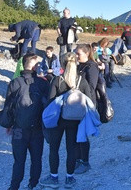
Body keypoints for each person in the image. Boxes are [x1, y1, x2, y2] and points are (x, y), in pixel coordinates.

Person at [40, 52, 92, 189]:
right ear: (76, 63)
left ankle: (54, 177)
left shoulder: (57, 80)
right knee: (72, 149)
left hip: (58, 120)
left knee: (54, 149)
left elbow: (50, 101)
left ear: (62, 64)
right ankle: (70, 178)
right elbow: (90, 100)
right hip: (75, 120)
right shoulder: (82, 80)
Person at [5, 54, 49, 190]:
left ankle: (14, 187)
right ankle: (33, 185)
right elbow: (47, 106)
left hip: (18, 129)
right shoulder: (43, 83)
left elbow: (8, 107)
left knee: (19, 161)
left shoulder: (14, 83)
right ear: (35, 67)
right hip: (37, 129)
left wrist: (8, 124)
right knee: (36, 160)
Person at [75, 44, 99, 174]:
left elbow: (91, 88)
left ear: (86, 53)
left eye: (78, 53)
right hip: (76, 103)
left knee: (82, 134)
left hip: (86, 104)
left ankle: (85, 162)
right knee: (76, 133)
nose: (76, 56)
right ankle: (78, 159)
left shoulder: (91, 67)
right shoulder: (79, 66)